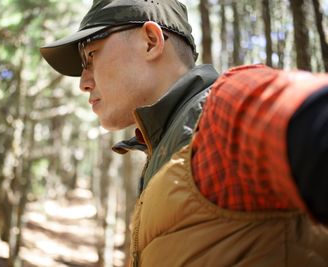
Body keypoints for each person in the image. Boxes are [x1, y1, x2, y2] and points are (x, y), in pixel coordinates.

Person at [40, 0, 328, 266]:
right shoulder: (164, 145)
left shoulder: (221, 113)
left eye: (90, 56)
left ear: (151, 42)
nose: (83, 83)